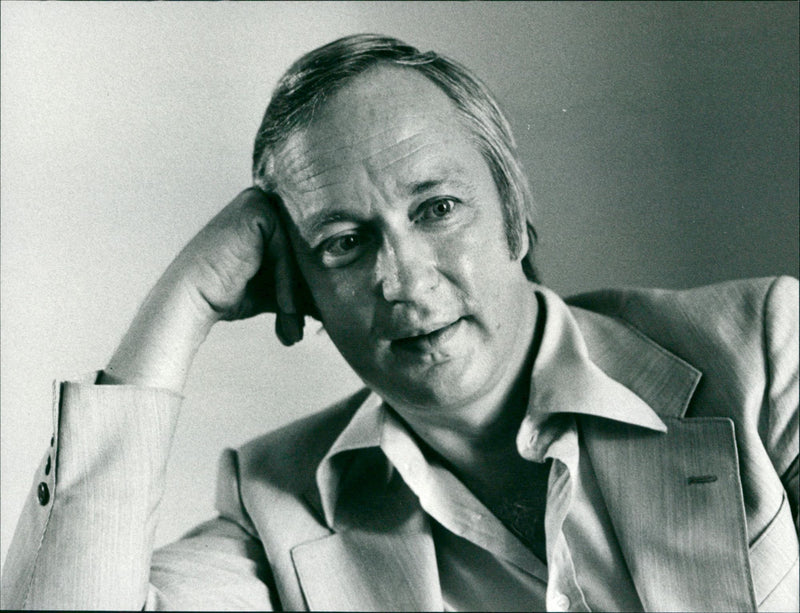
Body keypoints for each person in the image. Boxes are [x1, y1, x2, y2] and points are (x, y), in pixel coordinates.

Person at [1, 33, 797, 612]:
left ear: (515, 217)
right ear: (300, 289)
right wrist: (187, 296)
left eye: (437, 208)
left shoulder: (762, 351)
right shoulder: (278, 507)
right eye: (344, 243)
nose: (404, 278)